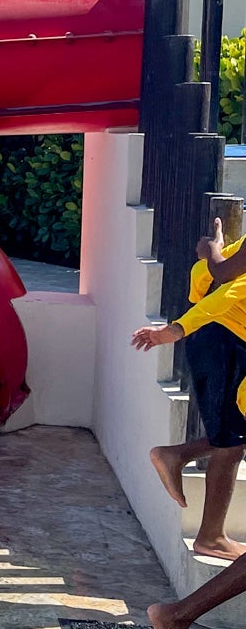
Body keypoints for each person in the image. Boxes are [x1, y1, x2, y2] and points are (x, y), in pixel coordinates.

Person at [133, 218, 246, 562]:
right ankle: (210, 537)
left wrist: (212, 252)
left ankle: (176, 456)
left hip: (221, 341)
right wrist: (176, 329)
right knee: (230, 444)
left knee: (234, 436)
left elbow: (201, 279)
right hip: (224, 342)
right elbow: (228, 291)